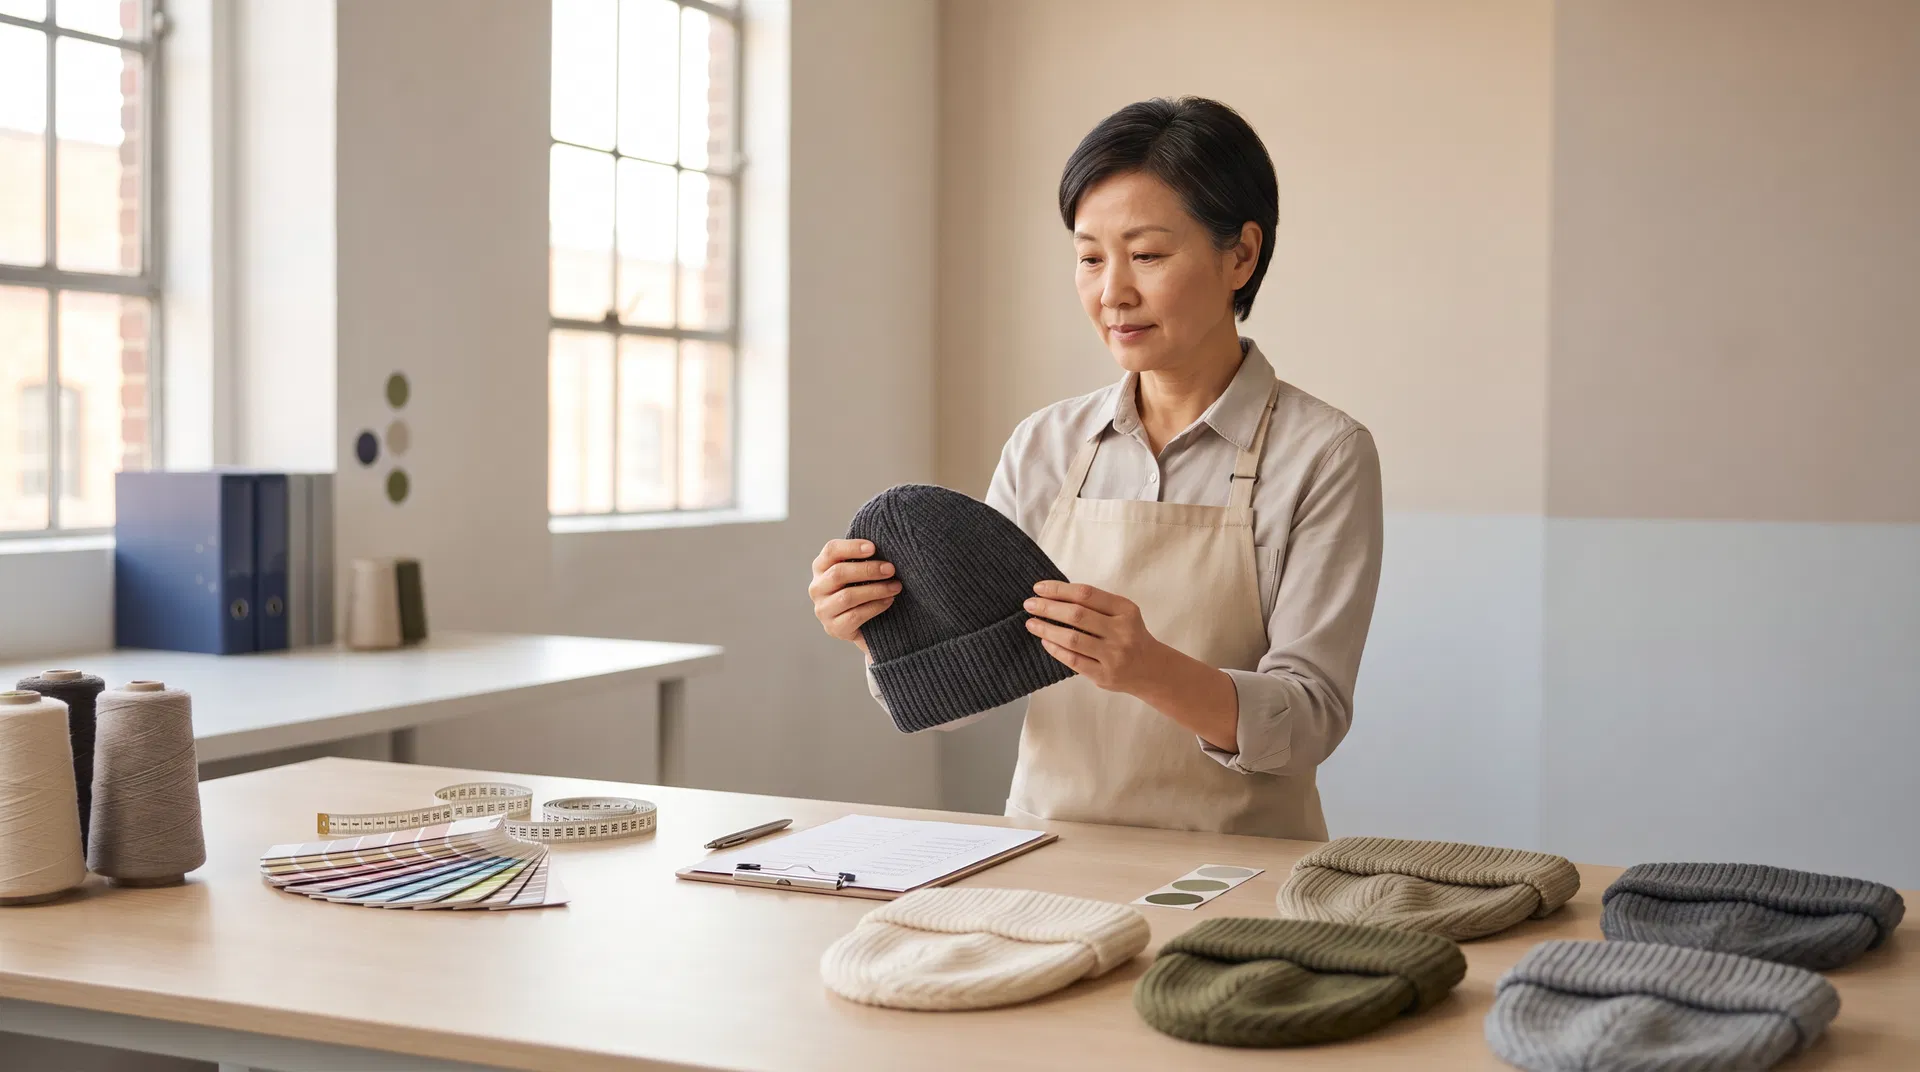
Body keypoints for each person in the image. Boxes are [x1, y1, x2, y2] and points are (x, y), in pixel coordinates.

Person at [808, 97, 1383, 840]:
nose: (1112, 292)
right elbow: (966, 696)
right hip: (1046, 852)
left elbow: (1309, 721)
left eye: (1146, 255)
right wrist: (880, 629)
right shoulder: (1043, 444)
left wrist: (1147, 669)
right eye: (1089, 257)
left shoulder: (1325, 454)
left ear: (1240, 254)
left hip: (1240, 870)